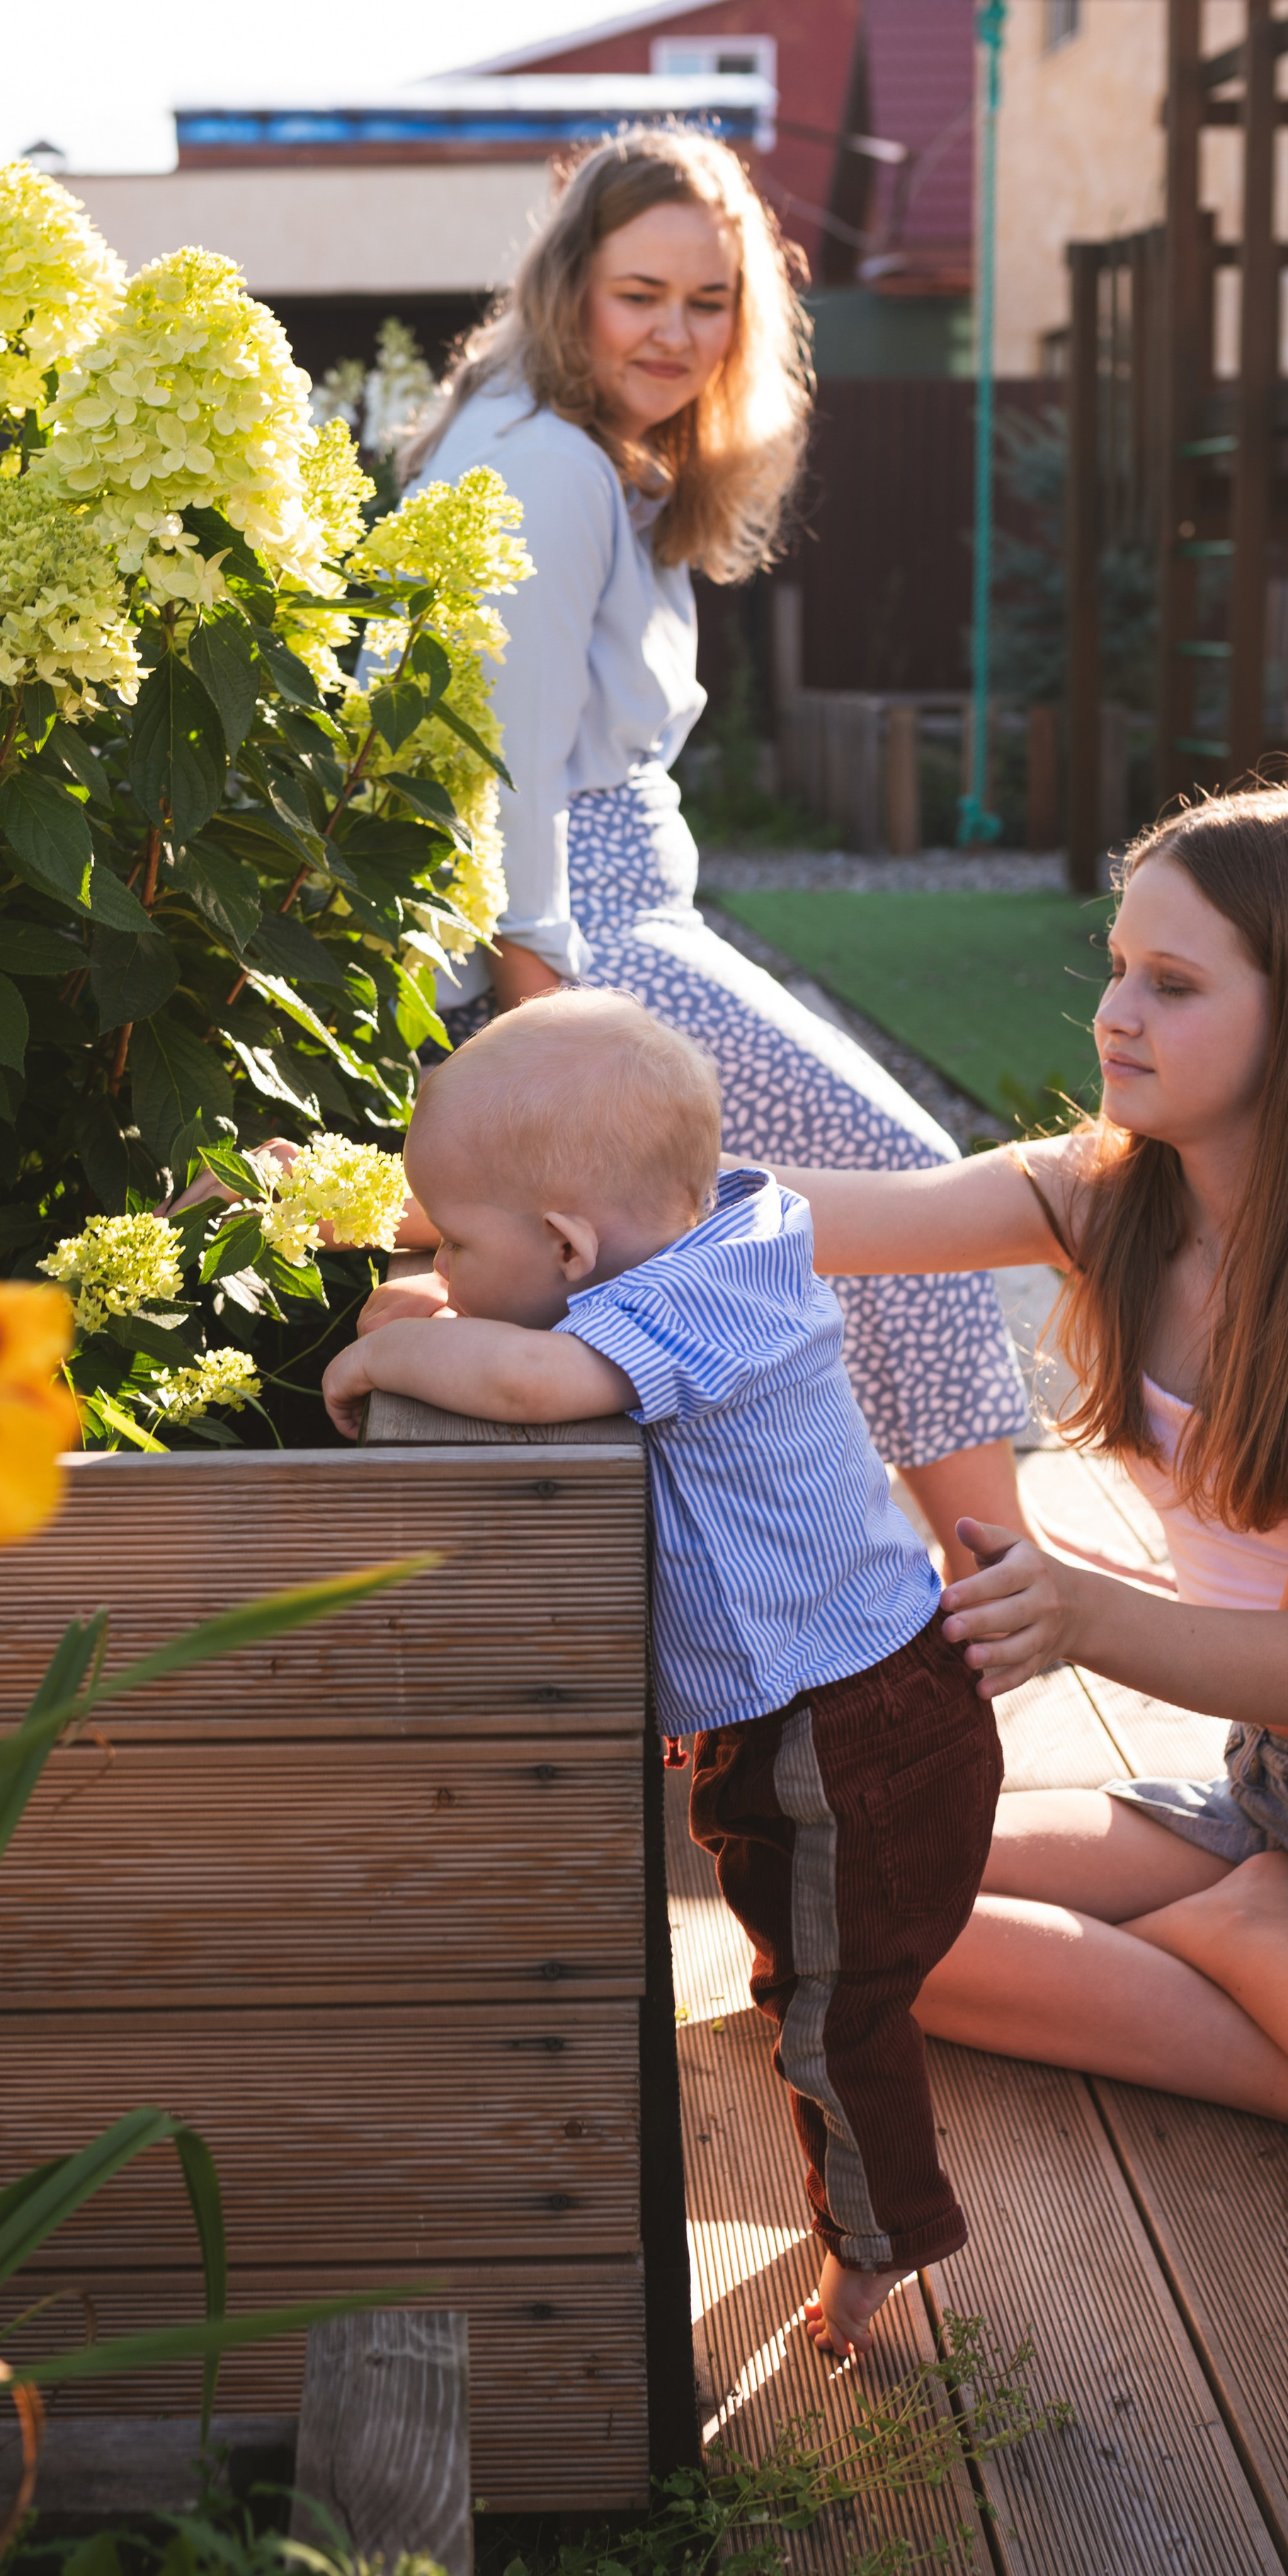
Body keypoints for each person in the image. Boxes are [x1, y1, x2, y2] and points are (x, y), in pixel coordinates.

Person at [751, 779, 1288, 2248]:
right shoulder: (1102, 1201)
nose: (1113, 1012)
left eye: (1169, 985)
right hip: (1271, 1797)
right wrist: (462, 1204)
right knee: (836, 1910)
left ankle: (1274, 1962)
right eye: (1117, 967)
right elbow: (789, 1218)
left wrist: (1076, 1610)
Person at [325, 989, 1003, 2359]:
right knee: (815, 1975)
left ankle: (882, 2249)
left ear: (573, 1248)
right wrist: (433, 1270)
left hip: (846, 1735)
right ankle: (872, 2214)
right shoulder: (721, 1227)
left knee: (832, 2015)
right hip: (844, 1703)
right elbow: (520, 1326)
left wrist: (389, 1346)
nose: (441, 1266)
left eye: (457, 1244)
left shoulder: (681, 1314)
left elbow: (527, 1382)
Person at [395, 125, 1031, 1580]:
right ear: (570, 289)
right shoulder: (547, 467)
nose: (675, 333)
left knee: (799, 1228)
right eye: (640, 295)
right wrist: (538, 1014)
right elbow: (500, 769)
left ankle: (947, 1577)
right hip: (585, 927)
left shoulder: (571, 449)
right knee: (908, 1185)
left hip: (622, 906)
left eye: (709, 300)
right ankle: (1006, 1591)